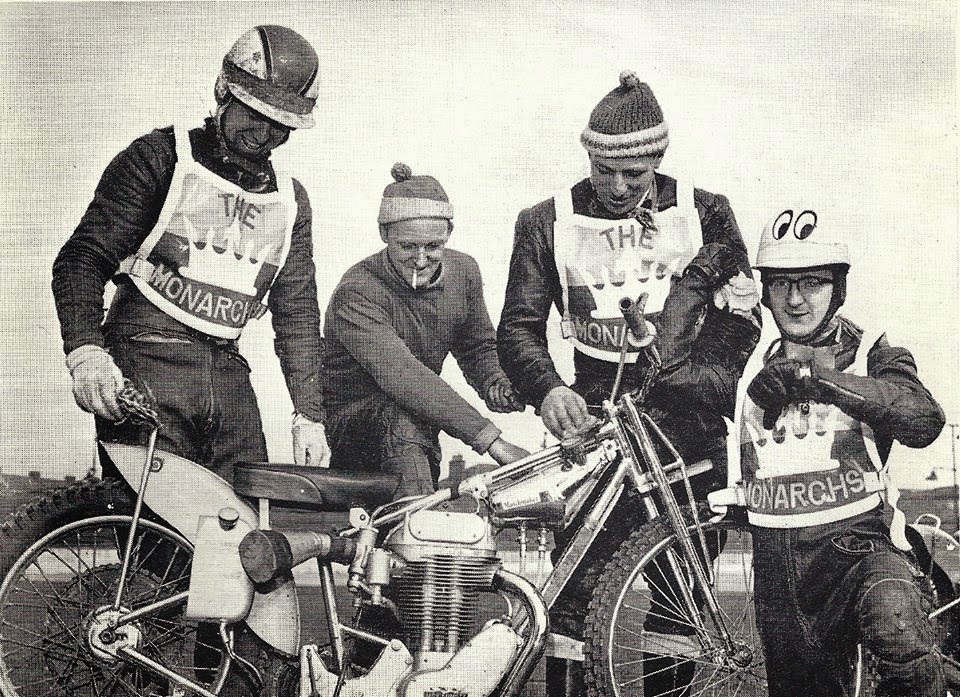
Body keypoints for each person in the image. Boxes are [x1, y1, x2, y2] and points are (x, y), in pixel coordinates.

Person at [497, 70, 762, 695]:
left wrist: (702, 380)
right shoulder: (545, 220)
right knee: (573, 593)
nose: (617, 188)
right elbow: (518, 326)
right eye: (603, 171)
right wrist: (547, 390)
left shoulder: (707, 212)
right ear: (587, 157)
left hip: (686, 423)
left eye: (634, 176)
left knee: (683, 598)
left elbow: (742, 318)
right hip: (592, 423)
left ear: (659, 160)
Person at [52, 25, 330, 482]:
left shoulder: (289, 201)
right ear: (224, 91)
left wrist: (309, 413)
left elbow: (297, 313)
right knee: (157, 535)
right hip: (146, 358)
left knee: (246, 529)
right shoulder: (161, 157)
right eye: (254, 116)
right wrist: (86, 351)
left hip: (227, 373)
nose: (263, 136)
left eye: (280, 127)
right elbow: (82, 258)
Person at [731, 206, 947, 695]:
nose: (796, 299)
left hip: (862, 549)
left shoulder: (875, 349)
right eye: (781, 283)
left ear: (838, 289)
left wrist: (822, 381)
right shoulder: (746, 364)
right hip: (780, 574)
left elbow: (922, 420)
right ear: (763, 291)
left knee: (894, 619)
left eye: (812, 283)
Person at [322, 163, 527, 499]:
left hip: (417, 422)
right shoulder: (357, 291)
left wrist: (494, 381)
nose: (420, 259)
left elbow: (476, 345)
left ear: (448, 235)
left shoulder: (464, 271)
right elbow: (403, 376)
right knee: (400, 417)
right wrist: (492, 441)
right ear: (384, 234)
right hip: (357, 428)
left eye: (432, 246)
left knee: (407, 423)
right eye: (407, 247)